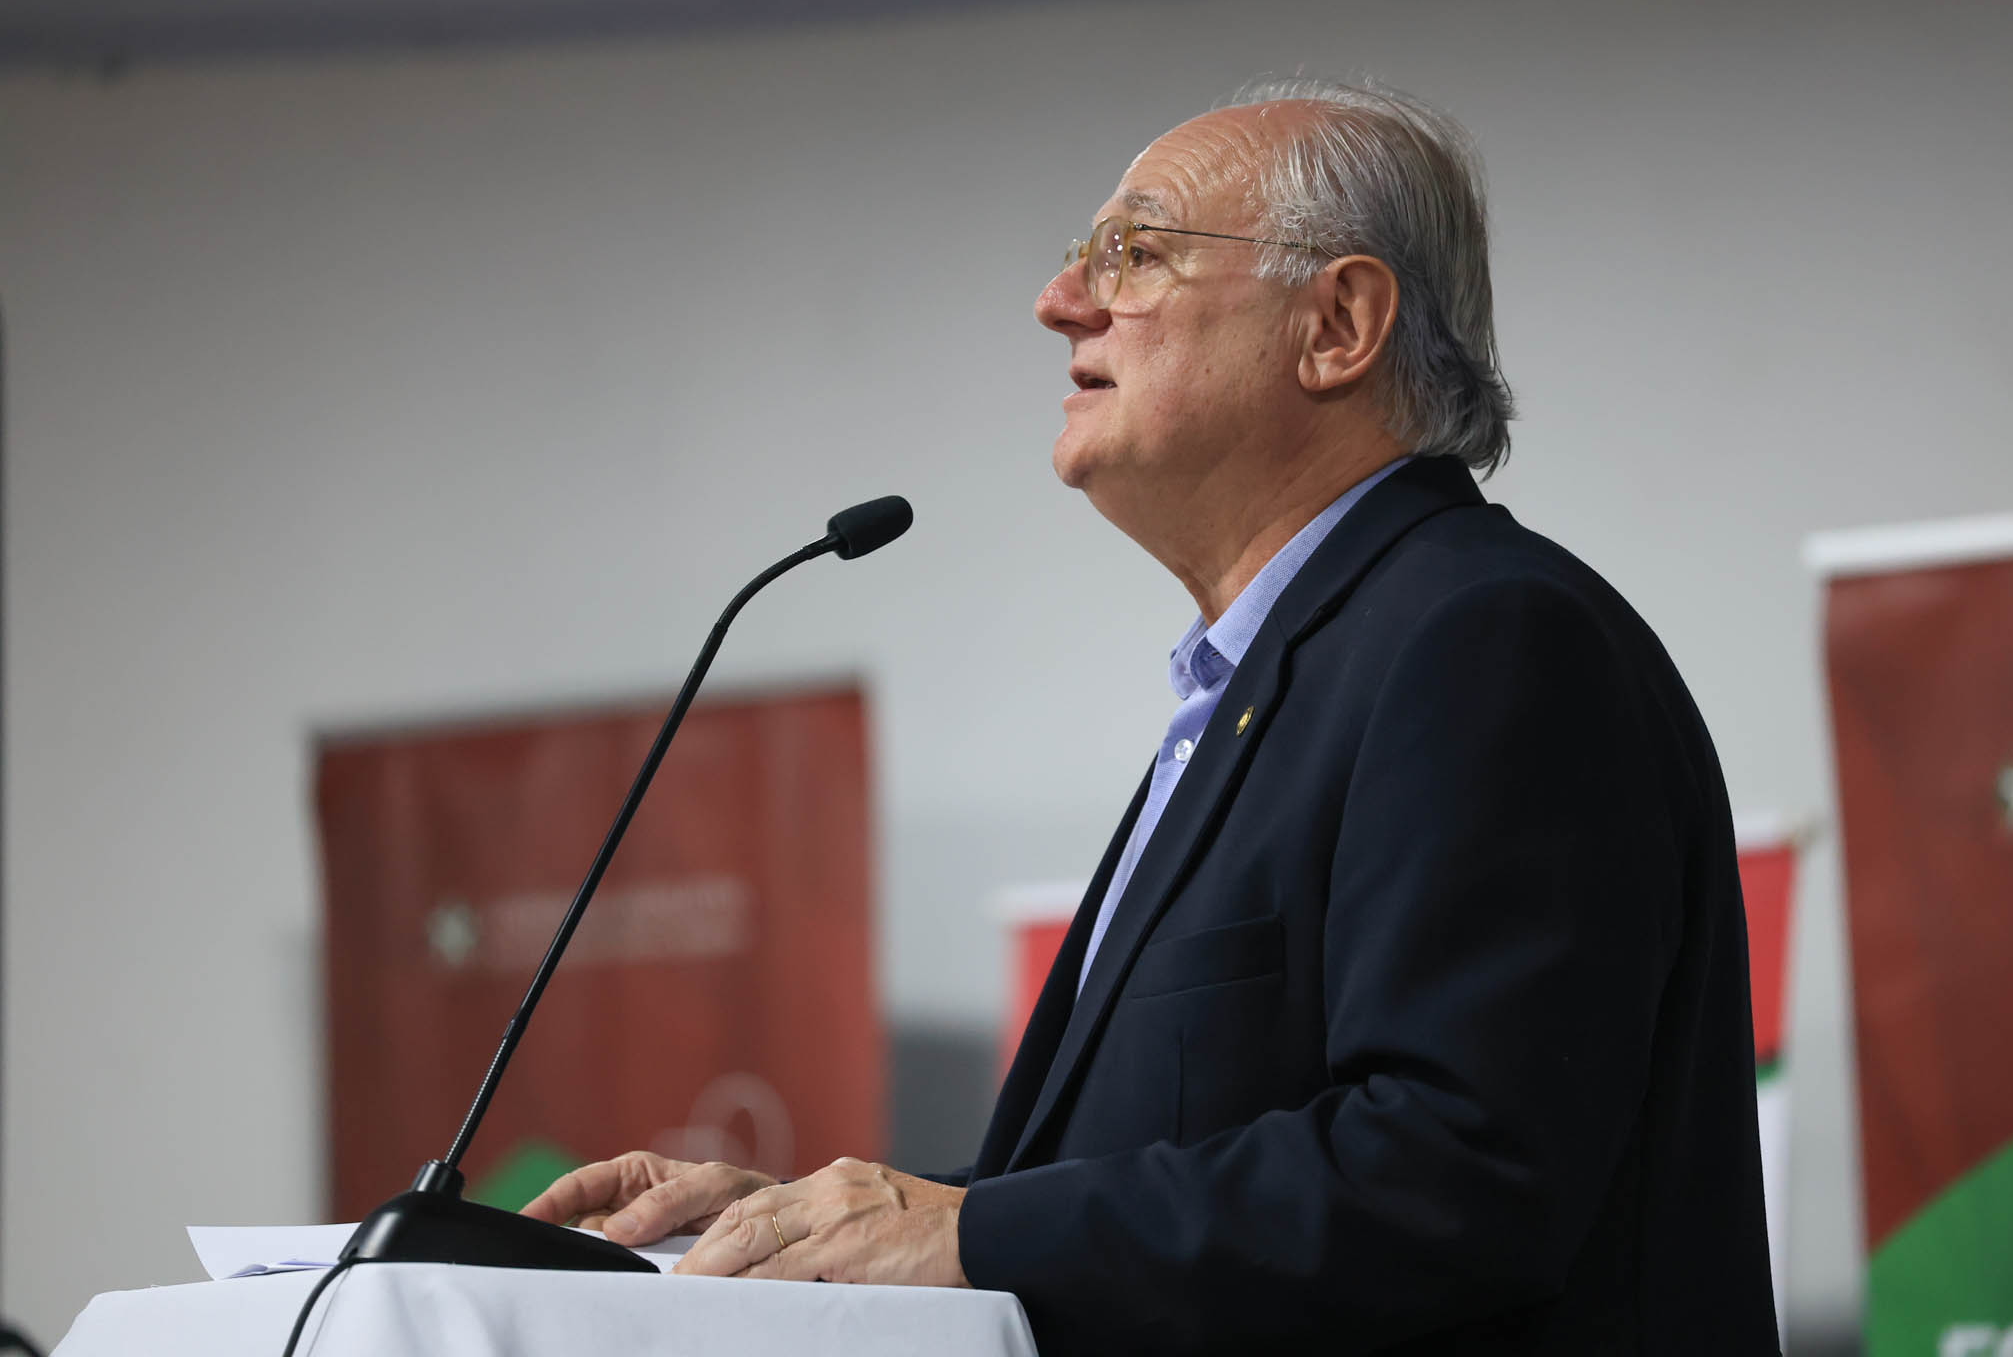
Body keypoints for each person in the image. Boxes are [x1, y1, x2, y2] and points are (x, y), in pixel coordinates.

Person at [523, 77, 1780, 1354]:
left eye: (1134, 252)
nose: (1059, 299)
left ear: (1337, 324)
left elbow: (1456, 1170)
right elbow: (1148, 1171)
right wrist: (809, 1231)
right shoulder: (1276, 677)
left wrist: (967, 1232)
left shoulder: (1486, 639)